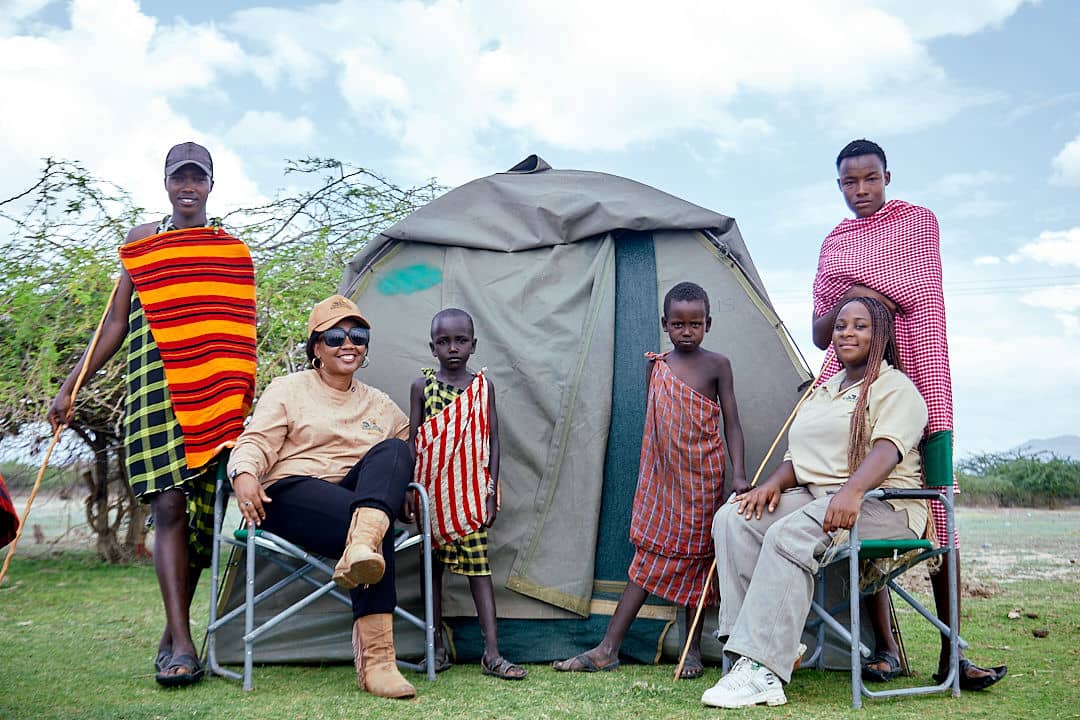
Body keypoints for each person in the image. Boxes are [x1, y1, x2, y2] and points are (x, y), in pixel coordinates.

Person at [47, 142, 257, 687]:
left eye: (198, 178)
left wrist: (239, 393)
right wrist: (71, 385)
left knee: (205, 523)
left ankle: (173, 632)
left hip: (213, 399)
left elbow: (236, 331)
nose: (188, 187)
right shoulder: (144, 245)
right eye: (177, 178)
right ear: (166, 183)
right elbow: (114, 323)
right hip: (154, 395)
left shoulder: (228, 250)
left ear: (212, 185)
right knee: (168, 508)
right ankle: (183, 643)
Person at [811, 139, 1006, 690]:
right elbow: (822, 329)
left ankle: (953, 656)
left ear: (888, 176)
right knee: (859, 497)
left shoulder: (918, 222)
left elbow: (911, 293)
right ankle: (887, 649)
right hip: (853, 386)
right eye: (850, 183)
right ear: (839, 186)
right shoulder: (834, 240)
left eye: (870, 179)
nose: (861, 192)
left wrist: (852, 292)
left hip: (920, 369)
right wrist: (854, 301)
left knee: (940, 515)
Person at [701, 296, 928, 709]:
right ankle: (745, 653)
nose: (847, 333)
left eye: (860, 326)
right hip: (818, 496)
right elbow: (800, 458)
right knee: (734, 519)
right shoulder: (825, 390)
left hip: (882, 504)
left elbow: (887, 450)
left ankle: (763, 669)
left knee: (791, 533)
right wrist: (771, 484)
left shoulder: (894, 387)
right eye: (841, 325)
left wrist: (853, 491)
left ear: (880, 336)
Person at [227, 294, 417, 699]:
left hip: (351, 500)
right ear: (315, 346)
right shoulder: (288, 389)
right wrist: (243, 473)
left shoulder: (379, 403)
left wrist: (484, 475)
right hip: (290, 493)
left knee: (395, 456)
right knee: (372, 525)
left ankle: (362, 554)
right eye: (335, 336)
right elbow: (256, 441)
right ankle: (378, 663)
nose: (348, 344)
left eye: (358, 335)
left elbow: (408, 453)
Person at [554, 282, 747, 679]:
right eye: (678, 324)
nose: (686, 331)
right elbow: (655, 427)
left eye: (695, 323)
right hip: (663, 481)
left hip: (703, 479)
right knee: (645, 564)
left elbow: (732, 423)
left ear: (708, 324)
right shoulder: (656, 365)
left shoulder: (717, 365)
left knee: (698, 561)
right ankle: (608, 648)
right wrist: (657, 474)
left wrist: (739, 474)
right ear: (665, 324)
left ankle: (691, 650)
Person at [407, 308, 527, 680]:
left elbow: (492, 442)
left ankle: (492, 652)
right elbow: (414, 443)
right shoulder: (422, 387)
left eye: (460, 340)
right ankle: (436, 649)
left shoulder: (482, 387)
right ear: (433, 347)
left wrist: (490, 493)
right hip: (433, 494)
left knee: (480, 570)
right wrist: (411, 493)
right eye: (444, 342)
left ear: (473, 345)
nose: (453, 348)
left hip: (471, 494)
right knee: (432, 572)